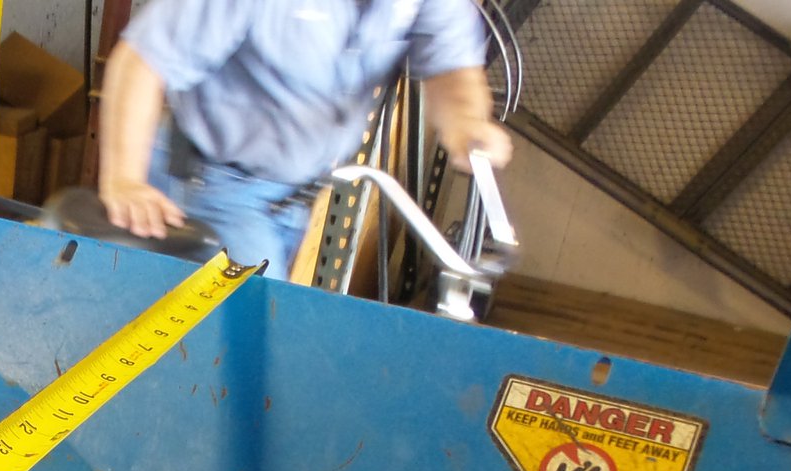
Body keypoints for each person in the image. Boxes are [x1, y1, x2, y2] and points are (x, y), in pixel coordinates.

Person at [98, 0, 513, 274]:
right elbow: (142, 61)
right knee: (240, 340)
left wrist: (466, 122)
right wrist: (124, 180)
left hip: (290, 199)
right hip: (208, 186)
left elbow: (452, 65)